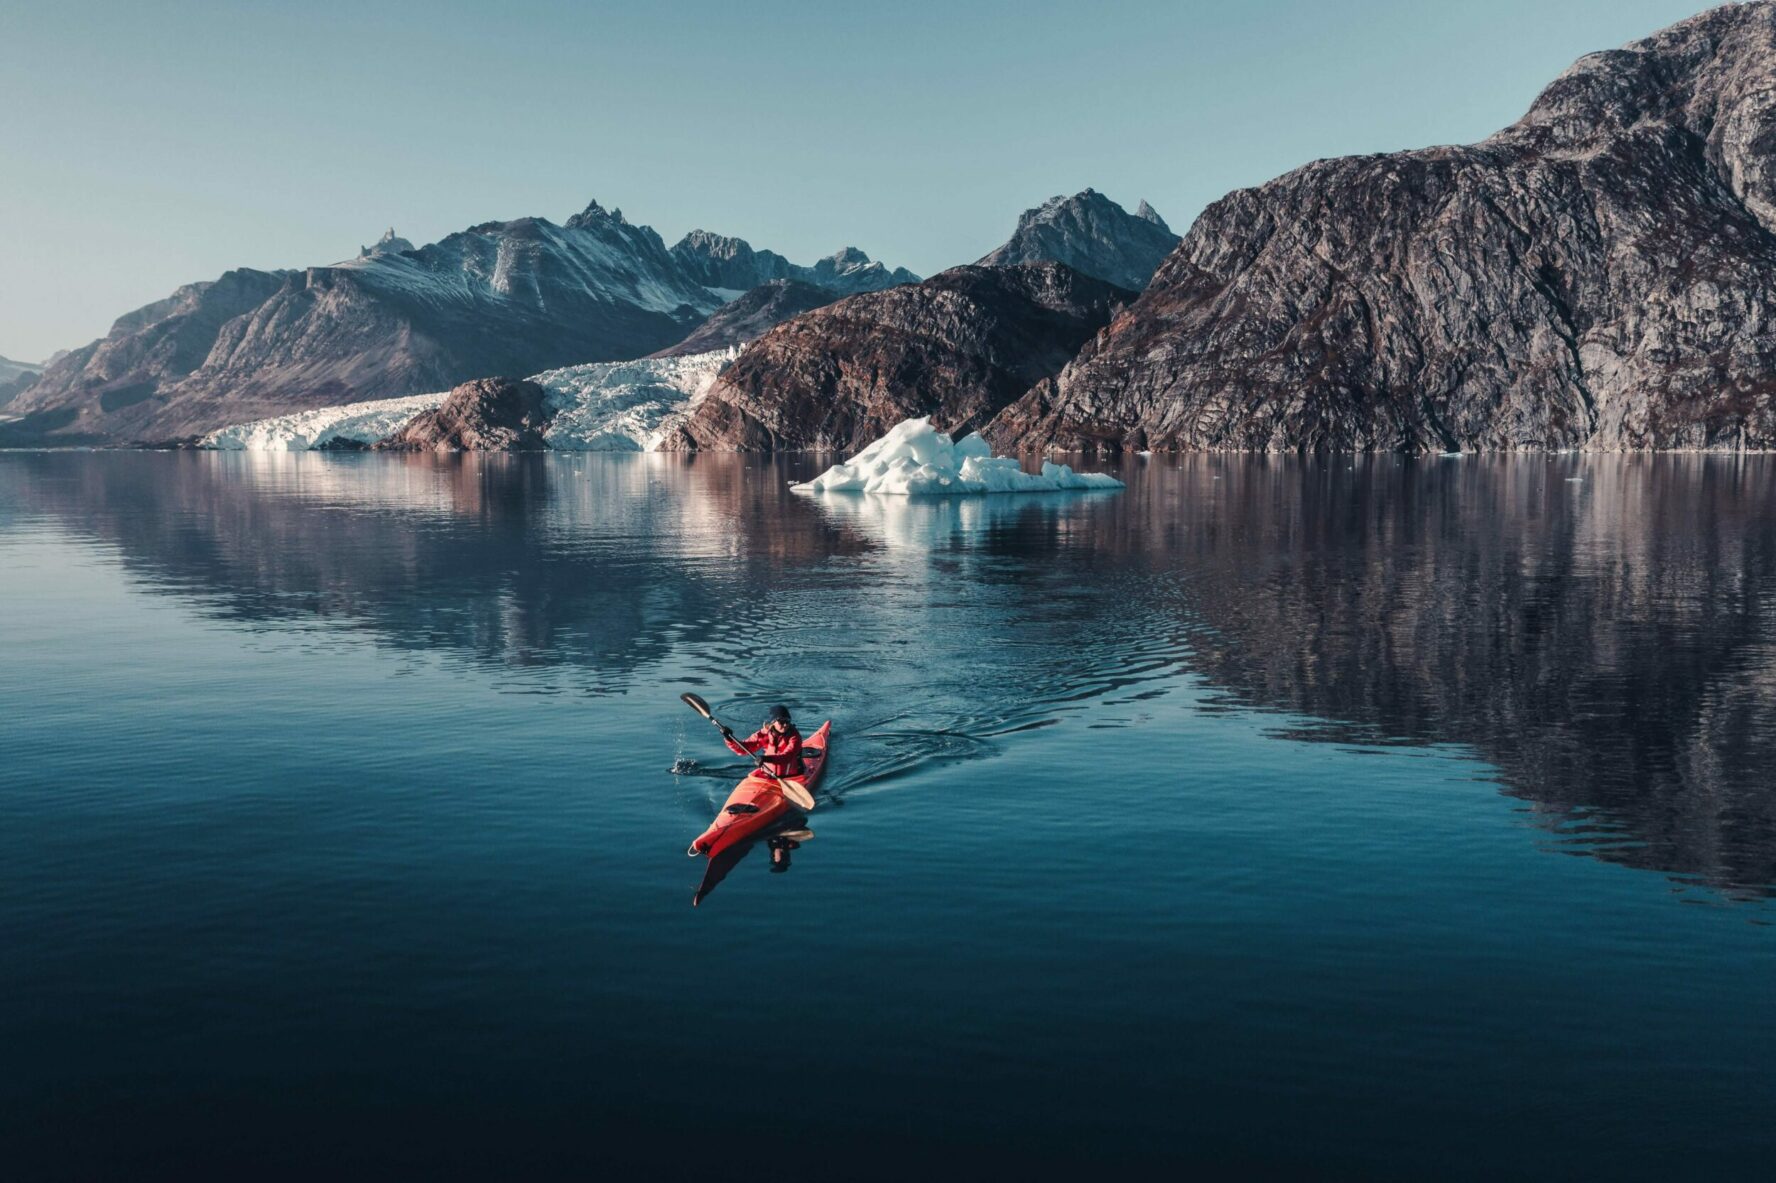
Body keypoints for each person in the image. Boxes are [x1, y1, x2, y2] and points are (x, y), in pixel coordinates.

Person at [723, 704, 806, 780]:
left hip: (793, 776)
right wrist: (729, 739)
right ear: (773, 722)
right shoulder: (764, 734)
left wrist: (765, 759)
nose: (785, 725)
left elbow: (788, 757)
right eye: (781, 721)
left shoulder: (794, 737)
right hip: (768, 776)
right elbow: (744, 749)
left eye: (787, 721)